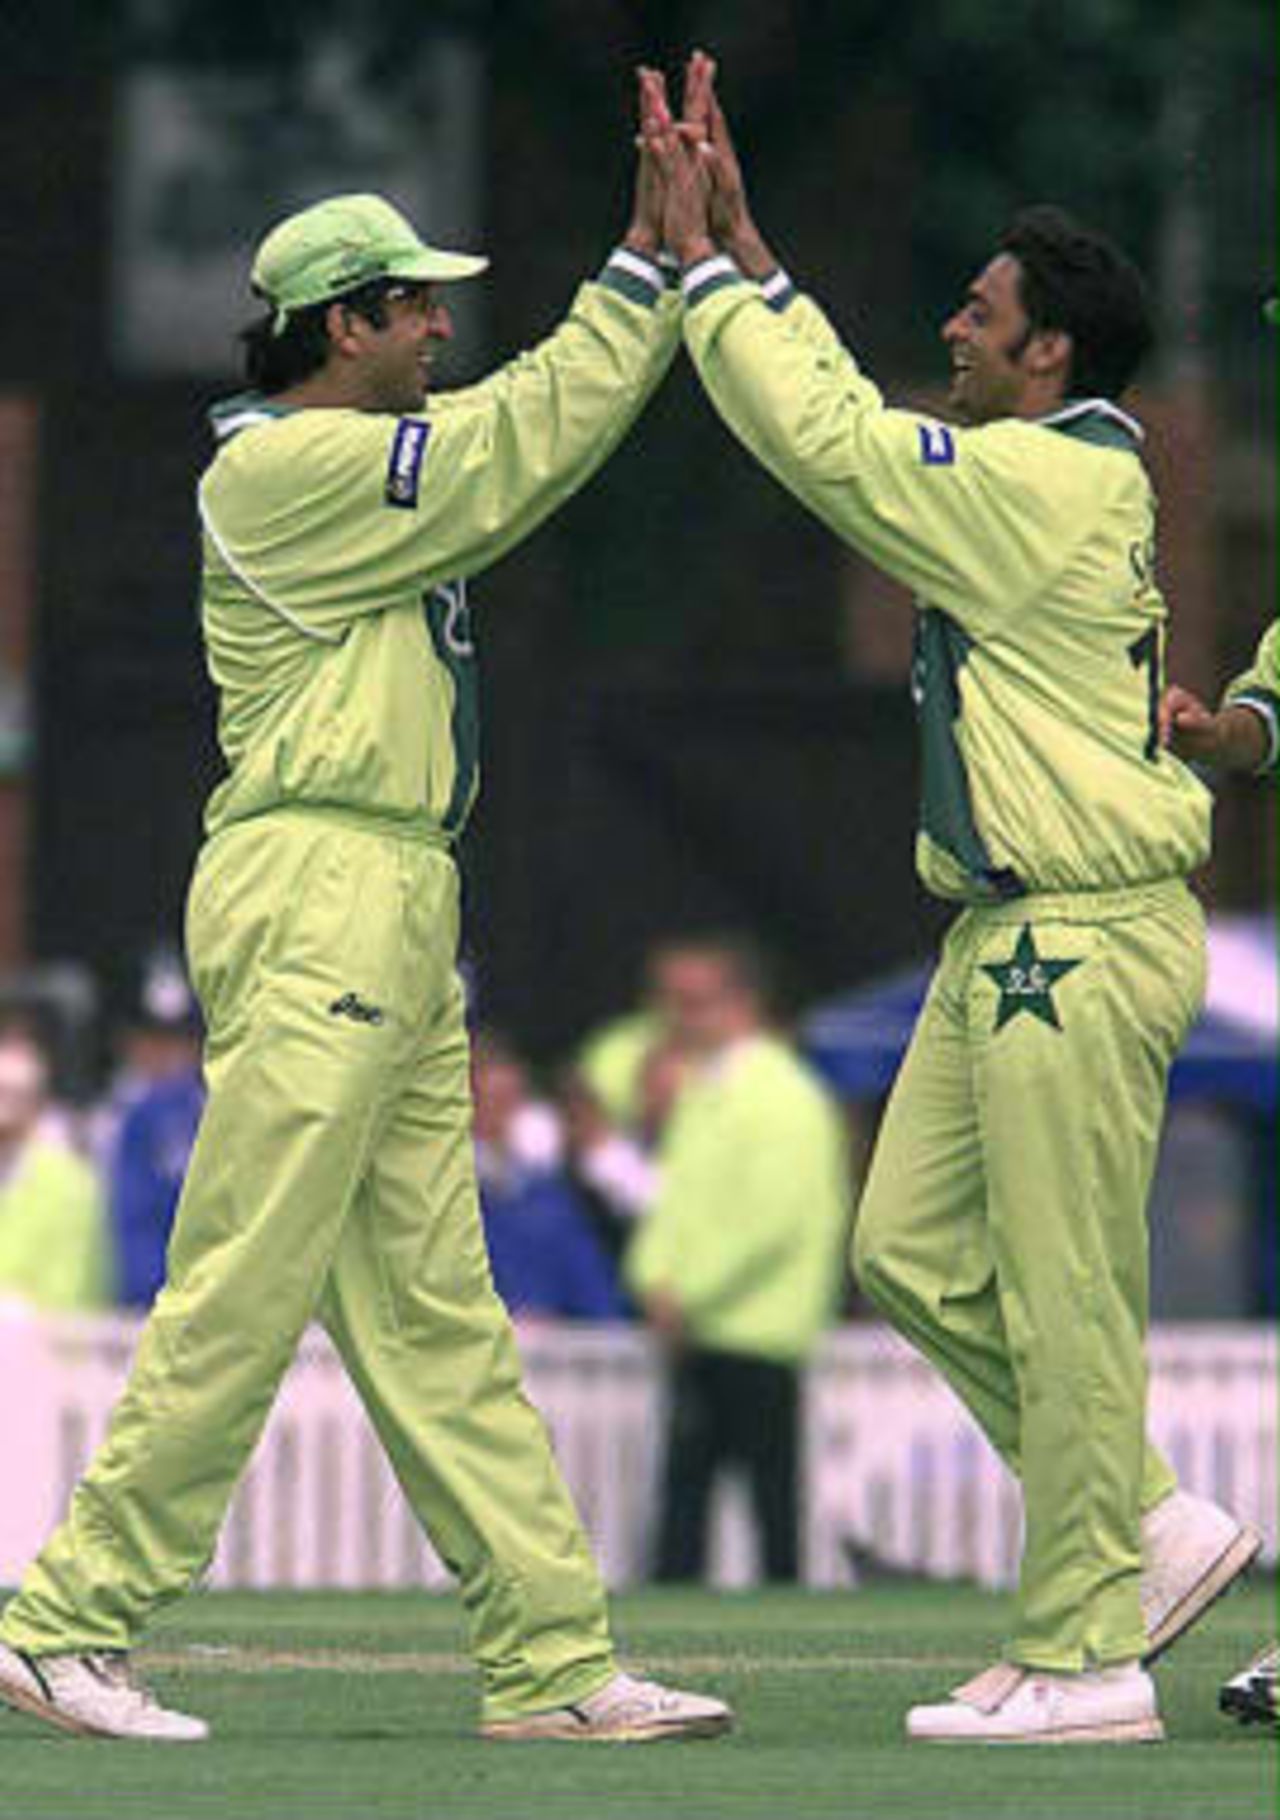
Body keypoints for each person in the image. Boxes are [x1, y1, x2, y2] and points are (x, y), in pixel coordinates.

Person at [0, 72, 730, 1746]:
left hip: (392, 887)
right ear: (343, 325)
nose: (438, 329)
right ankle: (65, 1620)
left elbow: (505, 450)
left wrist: (646, 277)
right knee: (248, 1271)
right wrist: (642, 271)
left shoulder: (353, 459)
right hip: (317, 880)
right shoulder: (286, 471)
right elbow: (518, 446)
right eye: (416, 307)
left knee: (435, 1312)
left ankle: (551, 1662)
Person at [643, 52, 1258, 1742]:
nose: (957, 331)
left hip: (1084, 924)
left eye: (982, 315)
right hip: (1007, 930)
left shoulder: (1047, 480)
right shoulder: (1036, 472)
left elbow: (838, 447)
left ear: (1050, 351)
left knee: (1066, 1296)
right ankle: (1146, 1523)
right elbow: (863, 423)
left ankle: (1088, 1655)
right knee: (906, 1249)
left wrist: (700, 280)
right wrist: (754, 258)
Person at [624, 936, 852, 1582]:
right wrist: (654, 1281)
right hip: (715, 1324)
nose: (680, 1017)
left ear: (744, 1003)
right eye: (673, 1001)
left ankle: (768, 1620)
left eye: (697, 1002)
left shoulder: (781, 1093)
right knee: (693, 1501)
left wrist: (679, 1291)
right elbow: (675, 1201)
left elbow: (771, 1220)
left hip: (754, 1329)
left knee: (761, 1503)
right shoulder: (711, 1089)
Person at [471, 1031, 626, 1321]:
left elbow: (592, 1286)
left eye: (507, 1100)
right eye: (484, 1099)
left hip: (554, 1342)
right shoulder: (443, 1190)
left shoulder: (547, 1195)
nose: (496, 1113)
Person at [0, 1019, 108, 1313]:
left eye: (15, 1095)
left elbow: (72, 1290)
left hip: (44, 1336)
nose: (4, 1110)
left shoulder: (74, 1185)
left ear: (38, 1104)